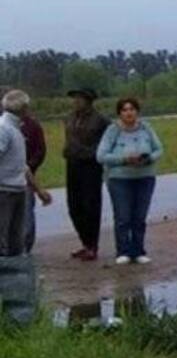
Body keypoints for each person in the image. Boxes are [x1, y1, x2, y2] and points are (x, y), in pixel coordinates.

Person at [96, 98, 163, 265]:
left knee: (140, 216)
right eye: (125, 110)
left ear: (137, 112)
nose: (129, 113)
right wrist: (124, 160)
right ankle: (123, 250)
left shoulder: (146, 128)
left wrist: (149, 158)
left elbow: (159, 149)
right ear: (119, 113)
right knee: (123, 216)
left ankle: (138, 250)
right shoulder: (113, 130)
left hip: (145, 177)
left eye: (132, 109)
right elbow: (101, 156)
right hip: (120, 179)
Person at [1, 91, 50, 256]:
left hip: (18, 189)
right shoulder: (4, 129)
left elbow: (21, 165)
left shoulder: (16, 129)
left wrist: (38, 189)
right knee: (3, 241)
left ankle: (16, 268)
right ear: (23, 108)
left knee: (16, 241)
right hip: (4, 192)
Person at [63, 88, 110, 261]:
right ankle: (85, 243)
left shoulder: (101, 120)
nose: (75, 101)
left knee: (90, 205)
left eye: (79, 98)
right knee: (74, 205)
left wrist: (90, 153)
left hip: (91, 166)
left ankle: (92, 245)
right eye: (74, 98)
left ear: (88, 100)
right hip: (72, 164)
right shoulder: (69, 117)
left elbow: (106, 142)